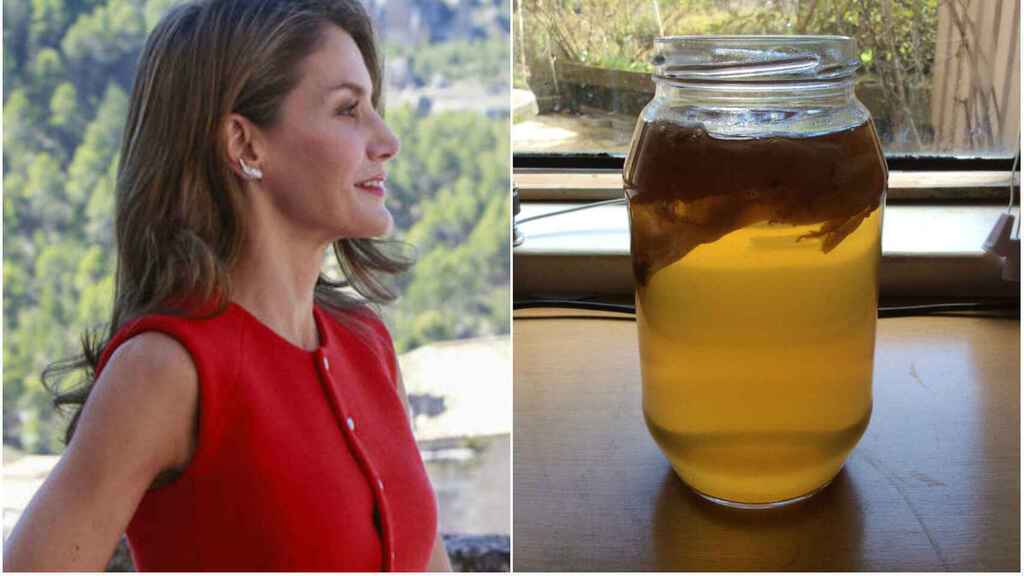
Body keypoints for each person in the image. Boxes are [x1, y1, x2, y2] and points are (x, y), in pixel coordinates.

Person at [2, 0, 451, 570]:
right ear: (244, 144)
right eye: (347, 110)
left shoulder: (366, 344)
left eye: (373, 107)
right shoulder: (166, 370)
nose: (387, 139)